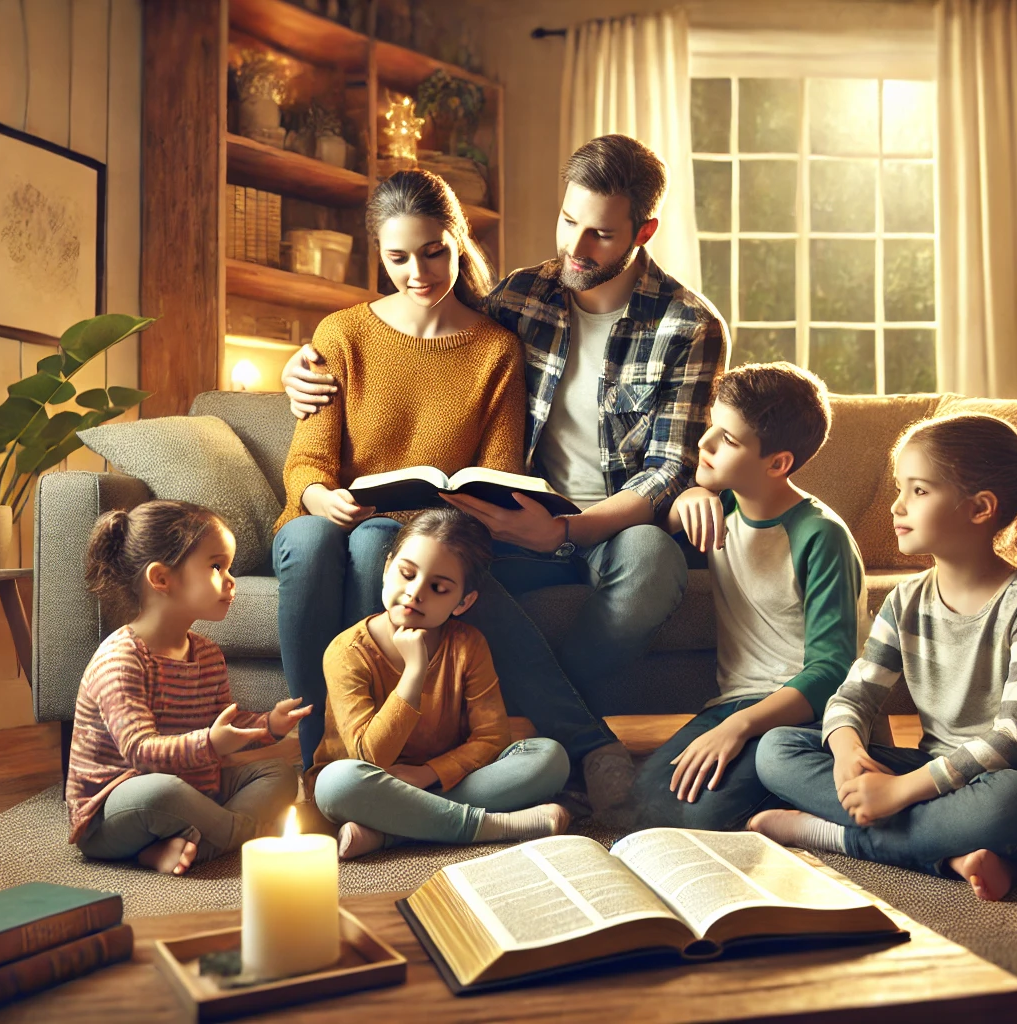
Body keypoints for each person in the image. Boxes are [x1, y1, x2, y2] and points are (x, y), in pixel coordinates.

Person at [283, 135, 728, 826]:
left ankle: (543, 733)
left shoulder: (688, 324)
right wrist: (301, 370)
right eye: (567, 222)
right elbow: (422, 334)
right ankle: (588, 748)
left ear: (644, 232)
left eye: (601, 234)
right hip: (516, 519)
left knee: (648, 563)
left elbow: (669, 467)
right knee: (447, 569)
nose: (576, 247)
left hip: (612, 523)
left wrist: (573, 526)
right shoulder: (523, 296)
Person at [749, 413, 1017, 902]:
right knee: (777, 750)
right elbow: (853, 695)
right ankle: (954, 852)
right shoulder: (904, 600)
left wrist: (900, 792)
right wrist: (849, 753)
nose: (897, 505)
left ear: (979, 509)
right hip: (937, 776)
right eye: (900, 488)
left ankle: (831, 835)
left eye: (919, 491)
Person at [272, 169, 527, 770]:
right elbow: (307, 460)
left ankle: (376, 762)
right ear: (378, 256)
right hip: (329, 516)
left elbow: (497, 475)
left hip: (420, 536)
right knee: (311, 543)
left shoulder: (496, 350)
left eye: (435, 252)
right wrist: (316, 498)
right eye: (399, 258)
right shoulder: (343, 334)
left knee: (378, 541)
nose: (419, 274)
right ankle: (320, 763)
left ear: (459, 240)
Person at [633, 363, 864, 831]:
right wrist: (684, 500)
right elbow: (647, 548)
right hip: (732, 702)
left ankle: (808, 810)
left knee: (700, 816)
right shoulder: (718, 508)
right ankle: (785, 799)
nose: (704, 444)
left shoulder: (820, 535)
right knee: (642, 803)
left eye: (729, 440)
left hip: (807, 710)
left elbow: (831, 670)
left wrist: (737, 729)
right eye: (710, 426)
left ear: (778, 463)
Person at [310, 509, 572, 858]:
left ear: (463, 602)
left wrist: (426, 775)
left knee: (550, 758)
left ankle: (392, 833)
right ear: (387, 569)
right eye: (406, 574)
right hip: (365, 783)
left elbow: (492, 738)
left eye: (438, 588)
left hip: (440, 781)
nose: (415, 593)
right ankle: (493, 826)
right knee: (335, 784)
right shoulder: (346, 651)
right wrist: (415, 672)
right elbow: (370, 758)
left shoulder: (468, 645)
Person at [68, 500, 310, 875]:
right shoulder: (120, 659)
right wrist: (211, 745)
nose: (231, 580)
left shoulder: (208, 654)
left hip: (197, 792)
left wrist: (270, 725)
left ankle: (186, 846)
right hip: (119, 810)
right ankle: (240, 833)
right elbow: (140, 752)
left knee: (278, 775)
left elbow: (224, 724)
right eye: (216, 566)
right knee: (161, 791)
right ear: (161, 578)